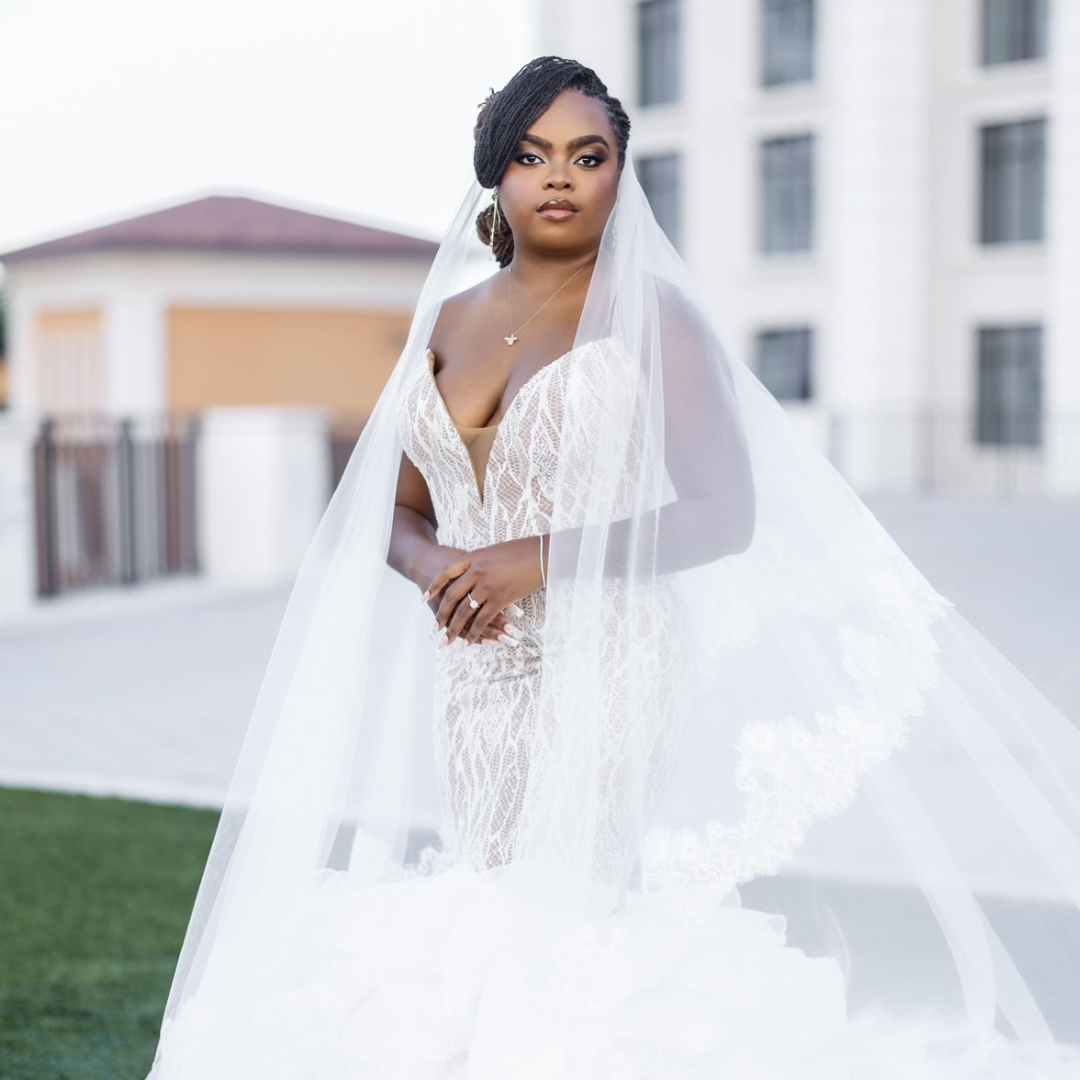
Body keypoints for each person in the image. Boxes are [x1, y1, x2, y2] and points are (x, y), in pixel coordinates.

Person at [147, 57, 1080, 1079]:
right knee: (487, 884)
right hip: (475, 666)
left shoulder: (655, 316)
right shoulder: (448, 319)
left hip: (609, 655)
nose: (559, 178)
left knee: (560, 906)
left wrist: (534, 558)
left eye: (587, 157)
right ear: (494, 175)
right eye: (532, 155)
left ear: (619, 175)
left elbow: (725, 512)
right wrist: (439, 568)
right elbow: (394, 509)